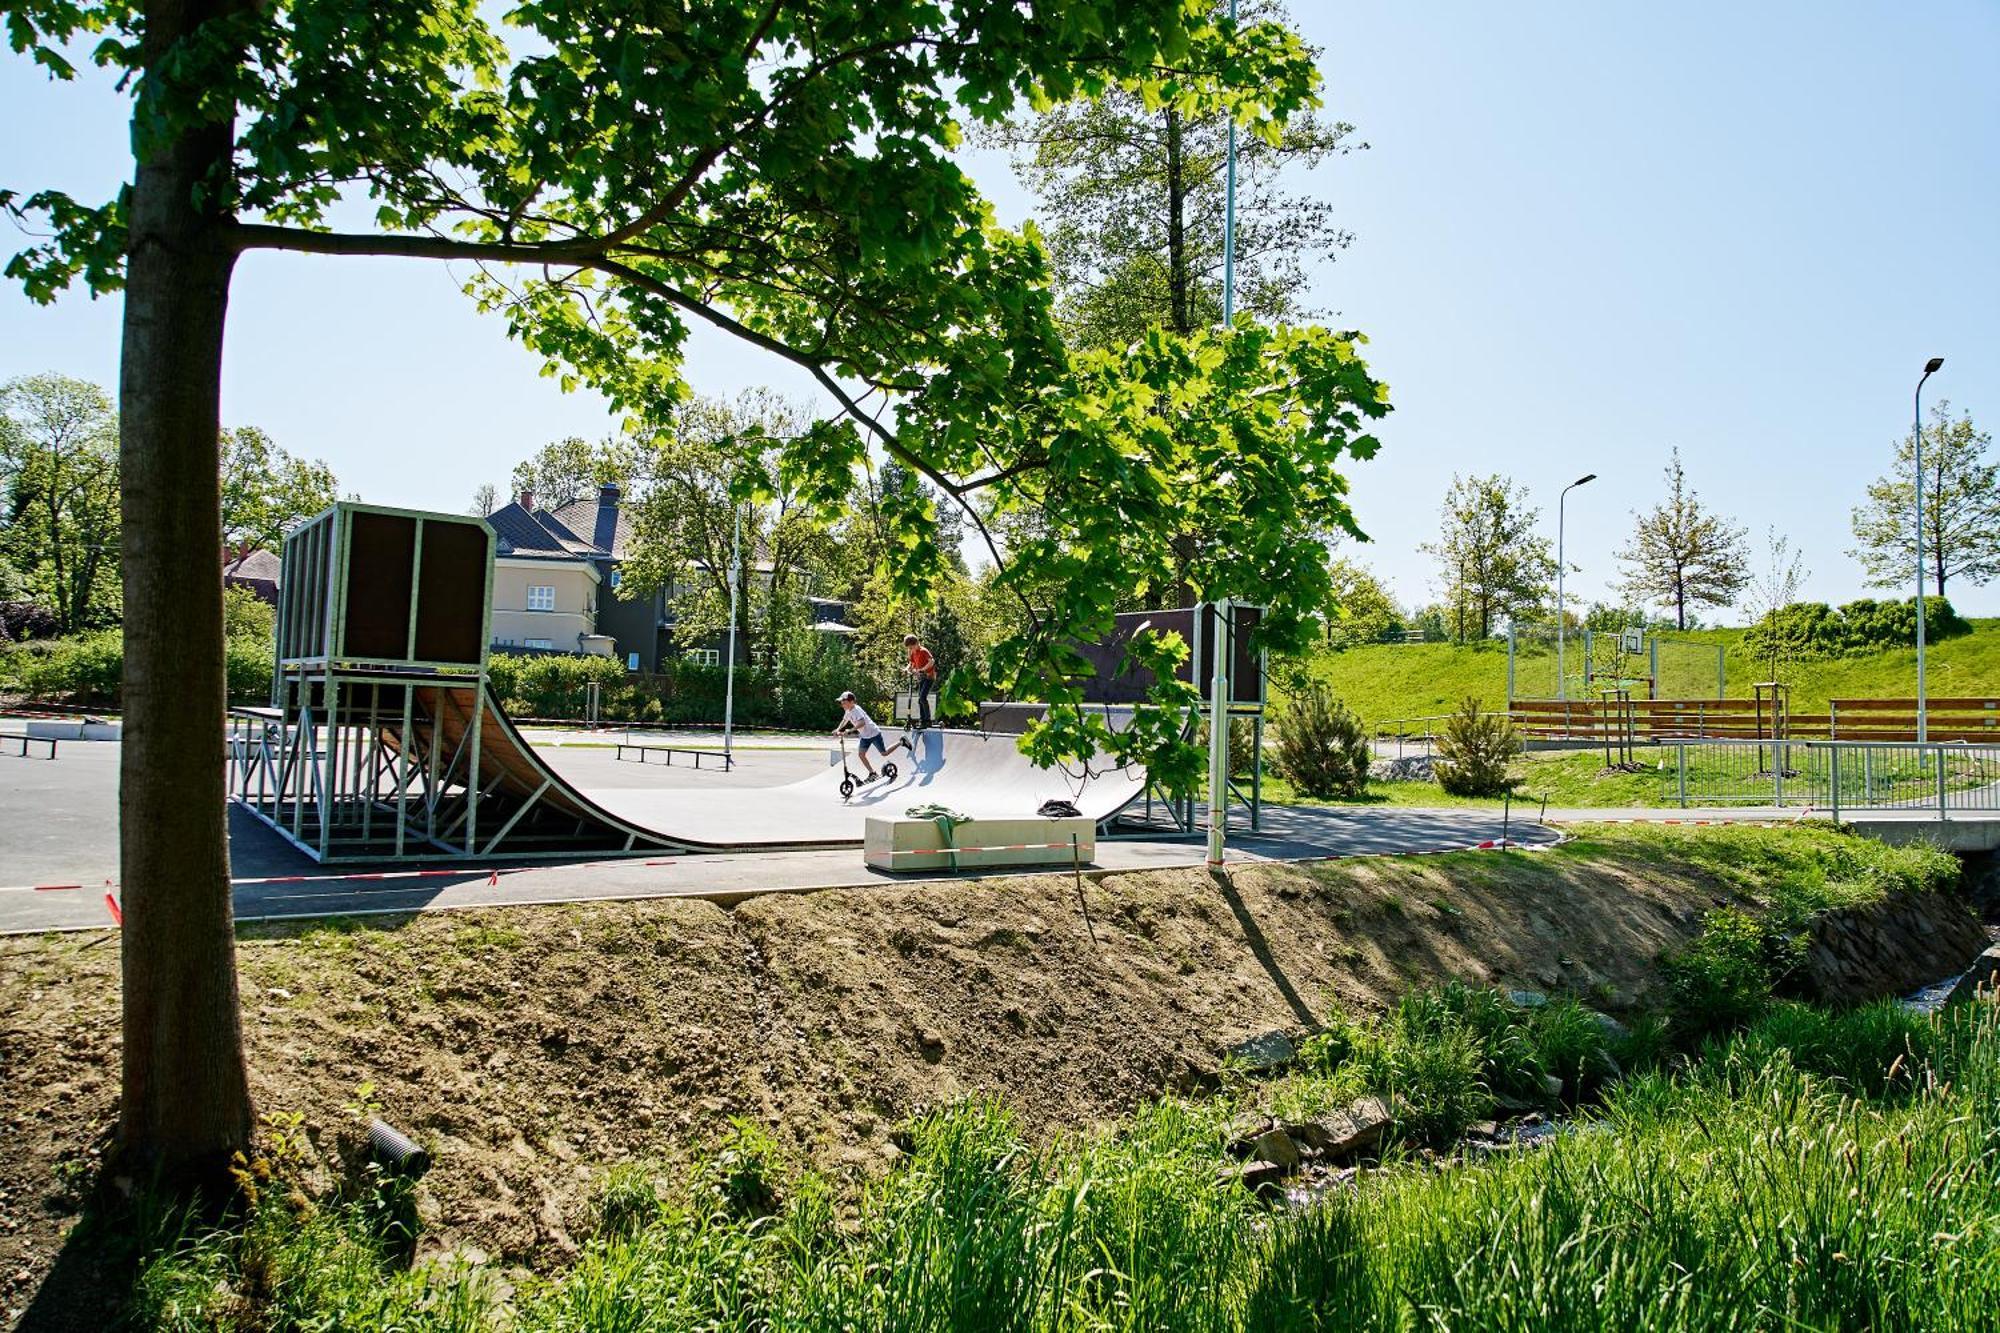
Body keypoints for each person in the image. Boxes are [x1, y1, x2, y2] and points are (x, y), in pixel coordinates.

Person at [833, 690, 888, 781]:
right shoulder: (848, 710)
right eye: (841, 702)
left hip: (874, 734)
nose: (842, 704)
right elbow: (844, 721)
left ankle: (901, 742)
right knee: (861, 754)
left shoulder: (856, 710)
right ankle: (872, 772)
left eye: (844, 702)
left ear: (851, 702)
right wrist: (838, 729)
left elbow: (862, 723)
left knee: (884, 753)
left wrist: (850, 730)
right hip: (865, 736)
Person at [905, 633, 937, 729]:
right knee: (920, 699)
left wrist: (922, 669)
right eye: (909, 648)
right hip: (921, 678)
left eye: (911, 647)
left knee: (922, 698)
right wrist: (907, 669)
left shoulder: (923, 651)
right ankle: (922, 720)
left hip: (929, 677)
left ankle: (927, 721)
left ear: (916, 644)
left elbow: (932, 661)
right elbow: (911, 663)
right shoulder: (913, 653)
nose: (910, 650)